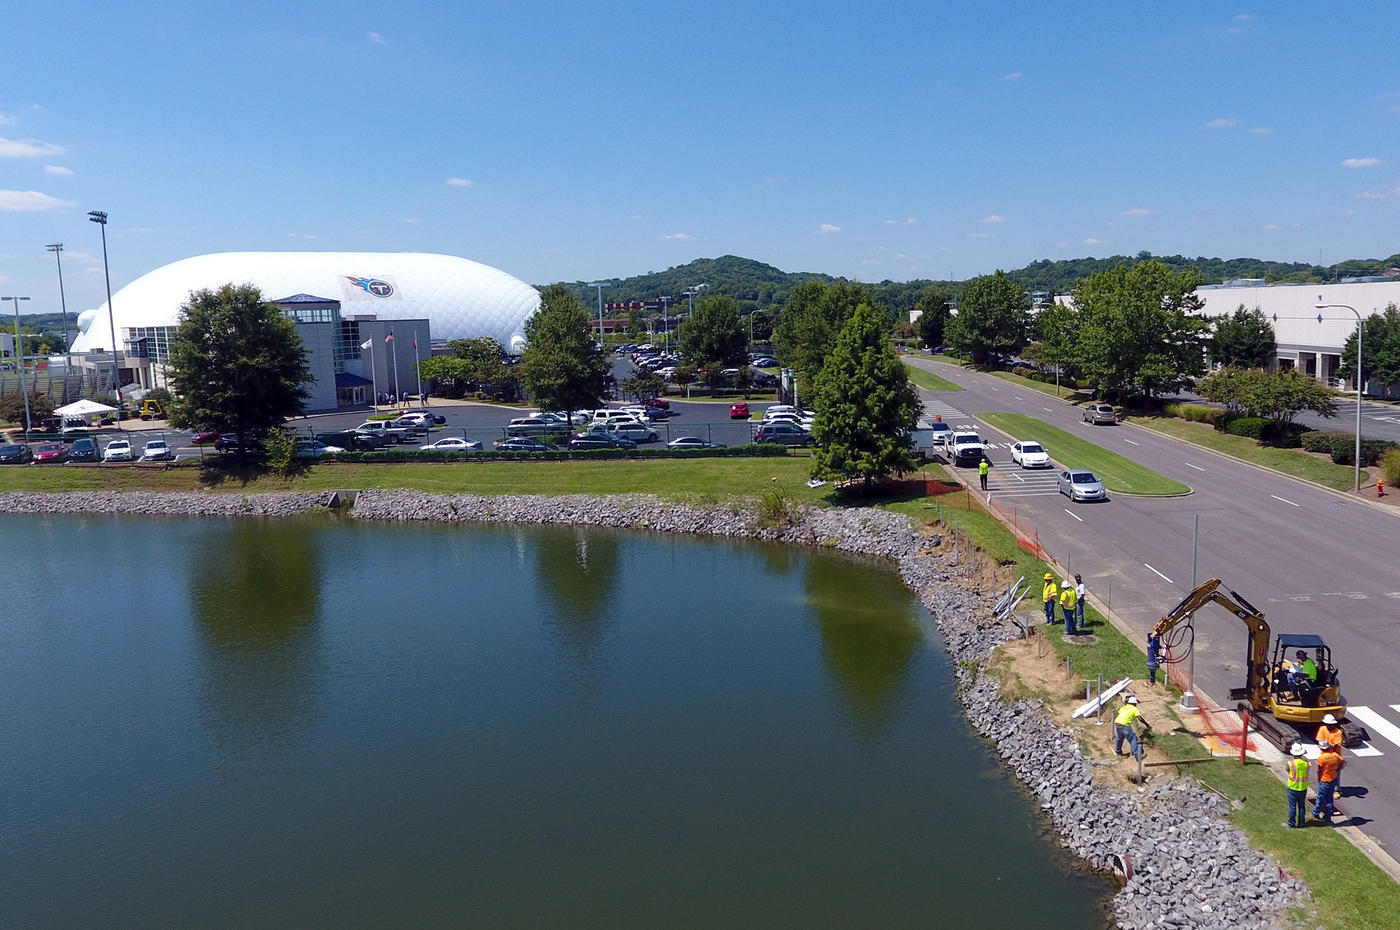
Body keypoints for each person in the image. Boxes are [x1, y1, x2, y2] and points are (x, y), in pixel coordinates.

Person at [1312, 740, 1344, 822]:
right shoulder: (1335, 755)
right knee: (1329, 798)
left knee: (1320, 798)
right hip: (1333, 779)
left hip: (1324, 780)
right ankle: (1328, 816)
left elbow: (1320, 770)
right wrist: (1337, 770)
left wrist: (1319, 778)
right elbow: (1342, 762)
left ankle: (1315, 813)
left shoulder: (1322, 758)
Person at [1317, 713, 1344, 792]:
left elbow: (1335, 746)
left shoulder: (1338, 732)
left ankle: (1336, 790)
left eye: (1331, 724)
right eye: (1328, 724)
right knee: (1323, 772)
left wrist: (1326, 746)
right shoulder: (1322, 729)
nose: (1330, 726)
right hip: (1324, 756)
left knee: (1336, 773)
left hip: (1335, 756)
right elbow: (1319, 740)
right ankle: (1323, 787)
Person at [1285, 742, 1309, 828]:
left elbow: (1287, 770)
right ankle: (1301, 823)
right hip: (1303, 788)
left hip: (1293, 787)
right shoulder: (1307, 763)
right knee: (1302, 806)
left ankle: (1291, 823)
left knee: (1292, 806)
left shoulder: (1290, 763)